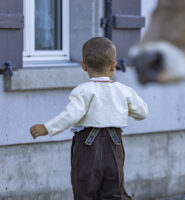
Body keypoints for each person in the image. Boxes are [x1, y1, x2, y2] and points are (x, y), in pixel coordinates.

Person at [30, 37, 148, 200]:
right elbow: (142, 112)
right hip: (114, 145)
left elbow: (71, 115)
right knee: (114, 191)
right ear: (114, 66)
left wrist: (47, 127)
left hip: (87, 146)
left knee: (85, 190)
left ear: (84, 66)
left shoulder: (82, 91)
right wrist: (122, 108)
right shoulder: (124, 91)